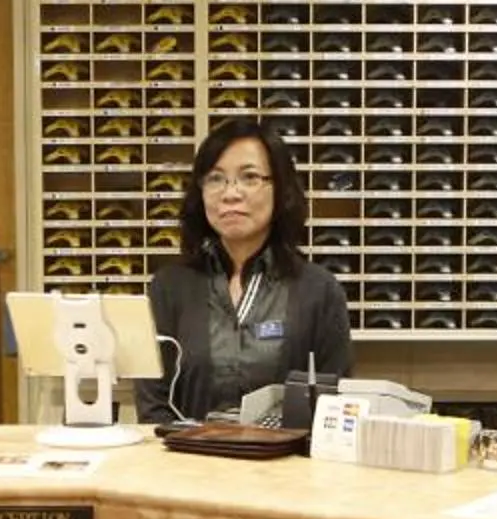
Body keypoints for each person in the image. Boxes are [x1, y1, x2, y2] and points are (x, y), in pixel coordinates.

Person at [139, 118, 353, 423]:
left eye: (249, 177)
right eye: (216, 179)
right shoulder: (170, 287)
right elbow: (153, 406)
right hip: (188, 452)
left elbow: (333, 411)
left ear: (280, 188)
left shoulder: (318, 291)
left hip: (286, 454)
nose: (230, 194)